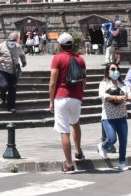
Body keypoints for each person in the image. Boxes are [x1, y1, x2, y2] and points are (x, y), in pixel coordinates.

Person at [48, 32, 86, 174]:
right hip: (76, 98)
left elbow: (53, 82)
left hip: (61, 97)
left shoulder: (57, 58)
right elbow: (84, 81)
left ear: (60, 45)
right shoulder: (80, 59)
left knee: (64, 131)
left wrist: (51, 101)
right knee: (76, 123)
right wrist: (80, 95)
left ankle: (69, 164)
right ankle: (78, 152)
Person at [97, 62, 131, 171]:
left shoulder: (123, 84)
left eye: (117, 69)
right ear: (107, 71)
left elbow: (129, 94)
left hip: (121, 116)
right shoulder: (104, 84)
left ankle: (122, 162)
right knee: (112, 138)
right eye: (112, 69)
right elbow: (103, 95)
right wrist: (116, 98)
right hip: (108, 116)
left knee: (123, 140)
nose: (115, 71)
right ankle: (103, 146)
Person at [0, 31, 27, 112]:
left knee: (13, 89)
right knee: (3, 86)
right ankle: (2, 96)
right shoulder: (2, 46)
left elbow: (22, 54)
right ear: (8, 39)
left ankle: (11, 106)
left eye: (15, 40)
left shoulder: (18, 47)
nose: (13, 42)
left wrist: (24, 61)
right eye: (12, 40)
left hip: (14, 71)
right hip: (3, 70)